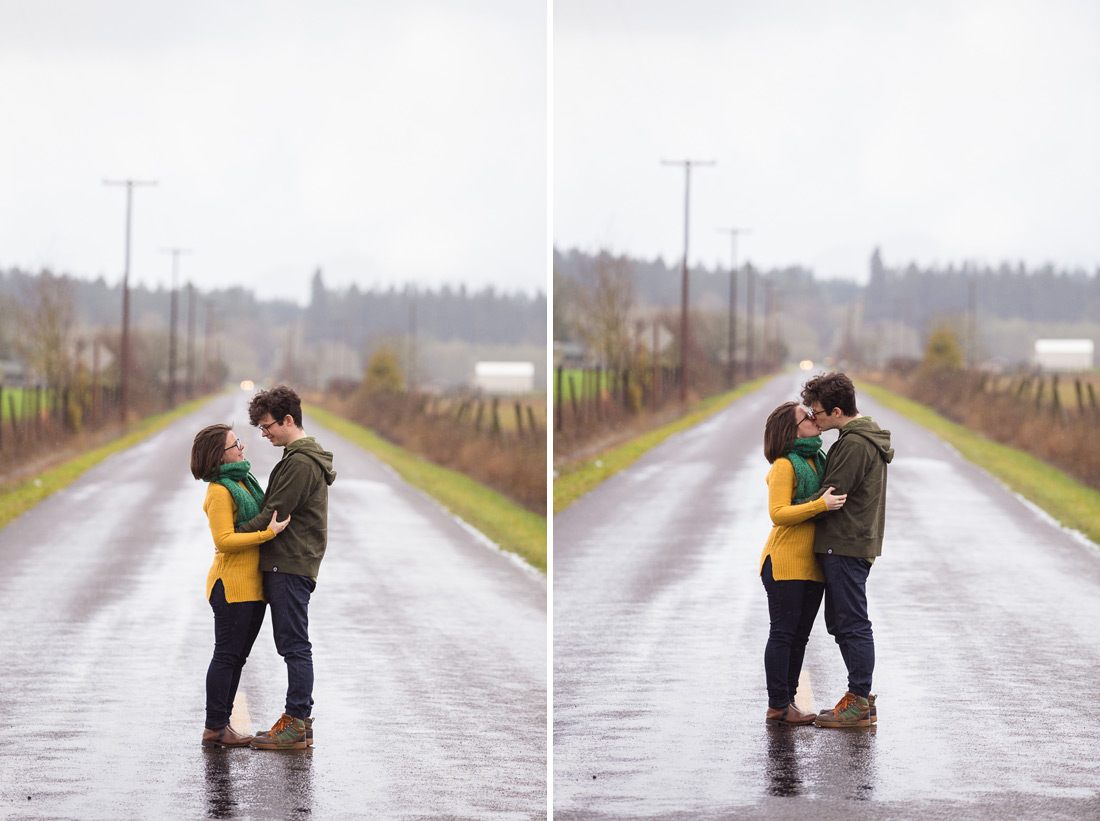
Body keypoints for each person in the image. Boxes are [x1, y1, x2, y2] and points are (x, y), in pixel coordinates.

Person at [234, 385, 336, 751]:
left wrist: (229, 536)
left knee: (294, 645)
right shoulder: (298, 458)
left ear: (288, 420)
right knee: (292, 644)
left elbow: (271, 516)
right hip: (291, 562)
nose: (264, 434)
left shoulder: (300, 463)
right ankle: (298, 721)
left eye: (267, 426)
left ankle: (295, 723)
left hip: (290, 564)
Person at [800, 372, 893, 729]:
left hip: (845, 544)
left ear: (837, 411)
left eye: (818, 412)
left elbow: (831, 495)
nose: (814, 418)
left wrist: (794, 507)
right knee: (842, 622)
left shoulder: (854, 444)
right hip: (846, 543)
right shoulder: (854, 438)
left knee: (852, 623)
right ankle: (859, 699)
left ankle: (859, 698)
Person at [191, 423, 290, 748]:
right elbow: (224, 540)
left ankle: (222, 725)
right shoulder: (220, 491)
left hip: (251, 587)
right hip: (232, 586)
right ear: (220, 456)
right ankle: (215, 727)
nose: (242, 448)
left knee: (236, 658)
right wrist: (268, 534)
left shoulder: (242, 482)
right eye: (236, 445)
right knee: (227, 656)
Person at [760, 401, 847, 726]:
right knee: (783, 634)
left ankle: (788, 702)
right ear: (791, 430)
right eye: (805, 417)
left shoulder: (816, 459)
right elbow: (778, 513)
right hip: (784, 563)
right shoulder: (785, 465)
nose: (813, 419)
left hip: (812, 565)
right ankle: (778, 705)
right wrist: (820, 505)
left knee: (799, 637)